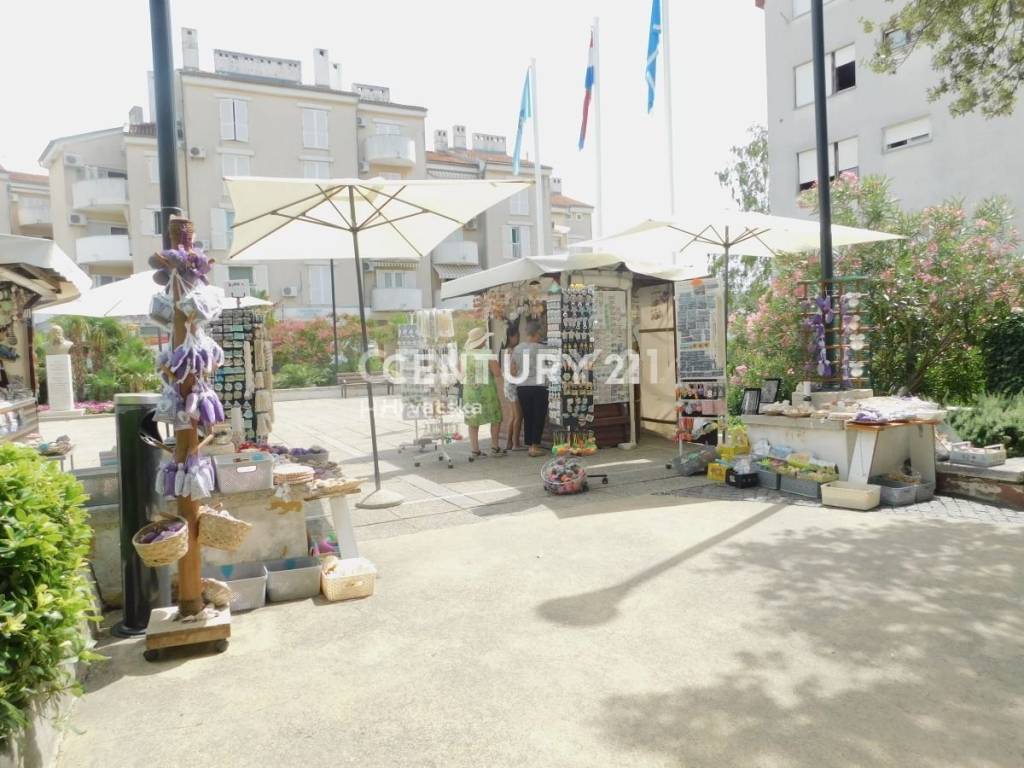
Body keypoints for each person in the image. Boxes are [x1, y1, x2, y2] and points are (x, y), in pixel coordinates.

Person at [462, 327, 504, 458]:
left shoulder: (465, 355)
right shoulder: (487, 354)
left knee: (473, 421)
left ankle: (475, 450)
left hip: (469, 392)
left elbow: (461, 373)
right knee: (495, 418)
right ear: (481, 341)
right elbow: (497, 373)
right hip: (487, 392)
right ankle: (495, 447)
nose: (486, 341)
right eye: (484, 339)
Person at [512, 319, 550, 457]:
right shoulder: (543, 349)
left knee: (528, 416)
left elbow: (513, 370)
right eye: (540, 334)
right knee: (539, 415)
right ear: (536, 333)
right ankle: (534, 446)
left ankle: (529, 445)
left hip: (522, 387)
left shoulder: (517, 349)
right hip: (539, 386)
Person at [500, 322, 524, 451]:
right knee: (518, 416)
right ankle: (516, 444)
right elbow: (513, 371)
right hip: (513, 386)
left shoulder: (505, 351)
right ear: (511, 336)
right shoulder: (512, 351)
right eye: (517, 336)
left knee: (513, 416)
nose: (518, 339)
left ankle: (509, 443)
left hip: (507, 386)